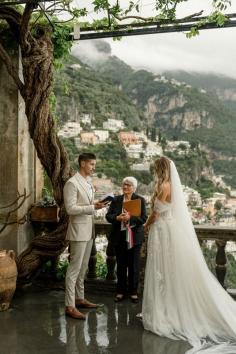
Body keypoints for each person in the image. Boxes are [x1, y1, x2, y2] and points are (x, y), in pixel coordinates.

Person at [142, 156, 236, 354]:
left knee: (162, 271)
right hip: (169, 230)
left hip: (162, 231)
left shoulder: (164, 186)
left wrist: (146, 225)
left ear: (160, 169)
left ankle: (166, 311)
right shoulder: (171, 186)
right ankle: (169, 309)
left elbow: (156, 212)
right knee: (169, 272)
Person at [63, 152, 107, 319]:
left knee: (83, 269)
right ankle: (69, 305)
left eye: (94, 165)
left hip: (89, 230)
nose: (94, 167)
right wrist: (92, 207)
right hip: (78, 231)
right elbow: (71, 209)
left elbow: (87, 205)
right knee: (74, 270)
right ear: (82, 163)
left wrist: (97, 205)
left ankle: (80, 298)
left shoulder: (88, 183)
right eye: (91, 164)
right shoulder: (71, 183)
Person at [106, 176, 147, 303]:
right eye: (124, 184)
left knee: (134, 265)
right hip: (119, 237)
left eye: (128, 185)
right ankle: (120, 291)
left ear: (134, 187)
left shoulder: (140, 200)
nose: (125, 187)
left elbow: (144, 218)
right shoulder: (116, 200)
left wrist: (130, 218)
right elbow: (108, 216)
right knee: (121, 265)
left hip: (135, 237)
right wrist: (117, 218)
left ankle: (133, 292)